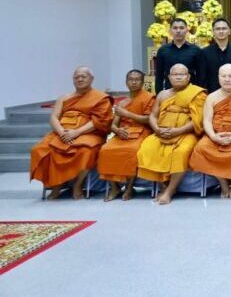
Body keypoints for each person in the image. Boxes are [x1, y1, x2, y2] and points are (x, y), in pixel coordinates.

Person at [30, 67, 113, 200]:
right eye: (76, 77)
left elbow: (99, 120)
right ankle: (56, 185)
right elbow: (54, 117)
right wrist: (62, 132)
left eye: (83, 76)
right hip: (62, 132)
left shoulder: (100, 98)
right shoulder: (64, 97)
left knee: (85, 151)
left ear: (91, 79)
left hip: (89, 133)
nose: (79, 79)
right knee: (40, 150)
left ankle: (77, 185)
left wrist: (76, 132)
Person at [137, 64, 207, 205]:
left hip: (186, 133)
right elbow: (153, 115)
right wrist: (156, 129)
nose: (179, 77)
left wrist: (178, 131)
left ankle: (170, 190)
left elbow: (198, 120)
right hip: (162, 131)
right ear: (169, 77)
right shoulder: (163, 94)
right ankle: (163, 185)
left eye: (182, 74)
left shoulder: (197, 94)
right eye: (175, 74)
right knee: (147, 148)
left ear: (188, 77)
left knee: (181, 152)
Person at [189, 64, 231, 199]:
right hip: (216, 133)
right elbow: (207, 120)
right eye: (224, 76)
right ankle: (223, 184)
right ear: (218, 78)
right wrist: (213, 136)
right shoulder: (211, 97)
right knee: (202, 147)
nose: (227, 79)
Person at [97, 69, 155, 201]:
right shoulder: (123, 102)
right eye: (130, 79)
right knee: (104, 151)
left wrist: (127, 114)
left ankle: (129, 188)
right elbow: (113, 124)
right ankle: (115, 187)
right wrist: (117, 131)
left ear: (143, 82)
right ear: (126, 82)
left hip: (142, 131)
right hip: (122, 133)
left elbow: (149, 119)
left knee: (132, 151)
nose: (134, 82)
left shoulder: (149, 98)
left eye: (137, 79)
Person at [155, 18, 206, 92]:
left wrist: (200, 93)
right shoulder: (163, 50)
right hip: (169, 92)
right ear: (170, 31)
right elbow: (159, 75)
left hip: (190, 92)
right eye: (175, 28)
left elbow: (201, 75)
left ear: (187, 30)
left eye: (181, 28)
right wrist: (159, 94)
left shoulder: (196, 50)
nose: (178, 31)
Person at [201, 18, 231, 93]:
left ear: (229, 31)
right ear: (213, 32)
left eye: (224, 28)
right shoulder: (205, 52)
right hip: (212, 94)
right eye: (218, 29)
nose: (221, 31)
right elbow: (203, 77)